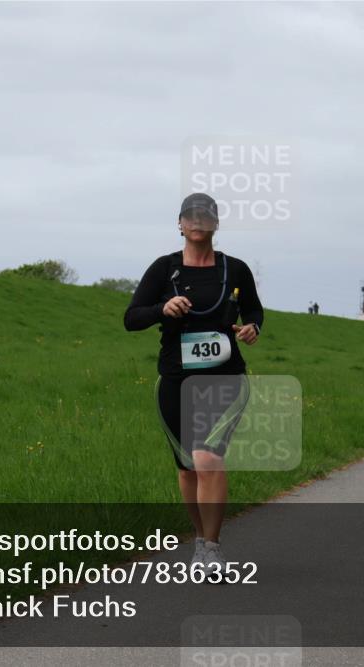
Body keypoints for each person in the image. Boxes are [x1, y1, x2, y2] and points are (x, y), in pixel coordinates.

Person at [124, 192, 263, 579]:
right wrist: (162, 309)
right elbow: (131, 318)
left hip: (225, 379)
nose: (198, 222)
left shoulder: (235, 269)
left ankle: (213, 549)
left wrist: (253, 326)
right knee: (187, 468)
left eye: (205, 216)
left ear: (216, 224)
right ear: (180, 224)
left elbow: (253, 309)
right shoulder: (164, 268)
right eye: (191, 216)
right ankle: (201, 541)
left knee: (207, 458)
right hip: (175, 380)